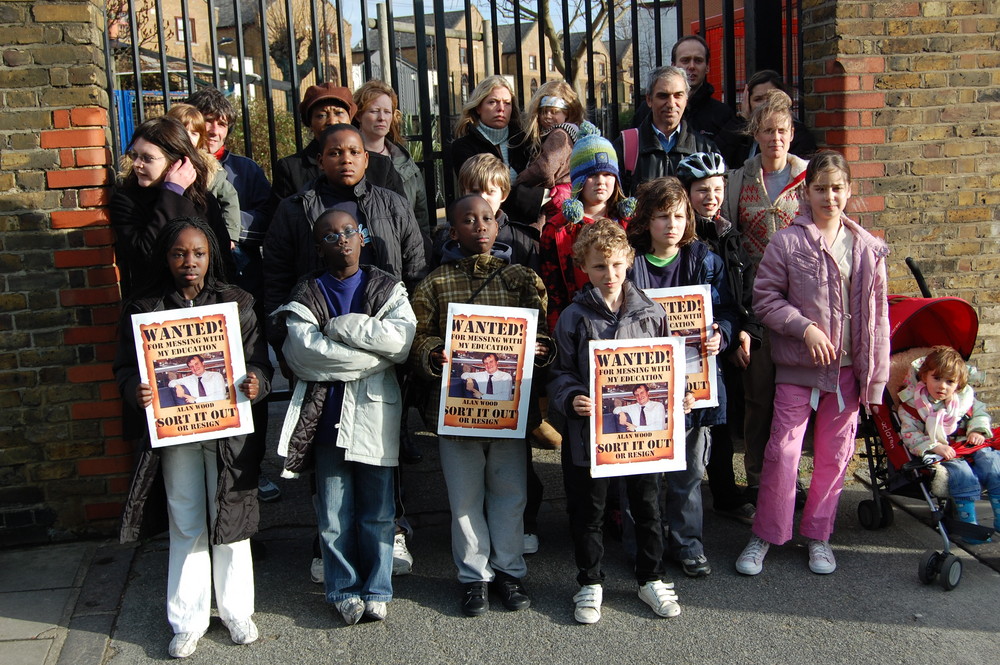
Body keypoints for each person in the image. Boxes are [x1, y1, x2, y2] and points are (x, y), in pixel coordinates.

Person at [115, 217, 272, 658]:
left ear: (211, 257)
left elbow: (260, 360)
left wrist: (256, 379)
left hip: (228, 432)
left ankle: (237, 610)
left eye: (198, 254)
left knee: (231, 515)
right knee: (186, 518)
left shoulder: (237, 302)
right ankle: (187, 619)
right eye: (179, 253)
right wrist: (136, 389)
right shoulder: (143, 308)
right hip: (176, 433)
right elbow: (125, 368)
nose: (189, 262)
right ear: (165, 258)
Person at [735, 151, 890, 576]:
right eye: (820, 188)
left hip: (845, 374)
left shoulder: (868, 249)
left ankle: (819, 536)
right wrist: (805, 328)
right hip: (798, 369)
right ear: (807, 191)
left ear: (849, 191)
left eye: (837, 188)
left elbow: (878, 321)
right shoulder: (787, 241)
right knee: (783, 452)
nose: (829, 196)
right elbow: (765, 300)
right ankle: (765, 534)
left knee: (834, 457)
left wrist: (874, 382)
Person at [409, 194, 554, 616]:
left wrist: (541, 349)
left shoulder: (523, 279)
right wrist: (433, 351)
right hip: (457, 414)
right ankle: (474, 577)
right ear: (453, 232)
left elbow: (542, 332)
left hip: (508, 413)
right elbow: (416, 336)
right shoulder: (435, 283)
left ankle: (509, 571)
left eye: (487, 219)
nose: (480, 227)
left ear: (499, 224)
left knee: (510, 493)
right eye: (469, 221)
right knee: (465, 498)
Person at [270, 207, 416, 623]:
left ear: (364, 237)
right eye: (331, 235)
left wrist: (343, 326)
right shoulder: (307, 292)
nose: (343, 240)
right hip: (325, 421)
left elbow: (401, 342)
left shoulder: (386, 287)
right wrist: (374, 358)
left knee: (378, 512)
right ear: (319, 247)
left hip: (374, 418)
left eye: (350, 231)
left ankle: (377, 588)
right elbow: (302, 355)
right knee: (333, 514)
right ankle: (342, 588)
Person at [548, 219, 682, 624]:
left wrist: (681, 396)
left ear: (630, 262)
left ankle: (650, 577)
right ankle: (589, 582)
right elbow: (560, 373)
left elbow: (670, 367)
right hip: (588, 434)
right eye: (599, 267)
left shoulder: (651, 312)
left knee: (647, 505)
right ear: (584, 268)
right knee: (588, 510)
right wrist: (572, 398)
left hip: (642, 438)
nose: (610, 275)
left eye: (617, 266)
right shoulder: (572, 317)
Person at [626, 176, 734, 578]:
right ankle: (644, 545)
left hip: (694, 386)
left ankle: (688, 544)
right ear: (646, 221)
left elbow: (726, 310)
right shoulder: (630, 263)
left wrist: (719, 334)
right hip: (644, 383)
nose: (670, 225)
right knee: (643, 472)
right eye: (661, 217)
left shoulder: (705, 260)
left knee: (688, 473)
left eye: (677, 216)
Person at [185, 87, 281, 503]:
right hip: (196, 293)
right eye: (207, 121)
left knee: (249, 380)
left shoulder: (246, 169)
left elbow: (266, 218)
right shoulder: (180, 168)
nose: (214, 130)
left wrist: (226, 228)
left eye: (222, 122)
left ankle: (251, 470)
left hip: (244, 285)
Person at [720, 88, 809, 505]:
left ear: (792, 134)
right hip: (755, 305)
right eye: (768, 130)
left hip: (800, 304)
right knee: (758, 398)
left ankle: (789, 475)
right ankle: (756, 476)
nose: (775, 138)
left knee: (795, 399)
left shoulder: (808, 178)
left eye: (782, 131)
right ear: (755, 133)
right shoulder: (738, 179)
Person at [263, 124, 427, 329]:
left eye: (354, 152)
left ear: (366, 159)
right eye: (335, 153)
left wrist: (411, 330)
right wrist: (280, 336)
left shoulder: (395, 205)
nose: (346, 159)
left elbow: (415, 270)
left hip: (384, 326)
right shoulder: (294, 210)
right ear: (321, 162)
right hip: (319, 330)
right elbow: (277, 276)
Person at [676, 152, 759, 525]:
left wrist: (742, 331)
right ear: (686, 193)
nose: (710, 196)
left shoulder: (730, 236)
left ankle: (725, 494)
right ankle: (674, 496)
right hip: (682, 347)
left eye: (716, 189)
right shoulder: (678, 237)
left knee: (721, 424)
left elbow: (745, 294)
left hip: (718, 342)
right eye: (701, 190)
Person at [110, 116, 235, 296]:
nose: (137, 164)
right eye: (135, 155)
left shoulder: (204, 200)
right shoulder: (126, 200)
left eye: (147, 158)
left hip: (207, 306)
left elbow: (223, 261)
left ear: (175, 161)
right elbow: (145, 254)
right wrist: (172, 193)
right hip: (155, 307)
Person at [898, 346, 1000, 542]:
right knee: (961, 473)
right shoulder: (913, 405)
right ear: (924, 376)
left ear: (958, 385)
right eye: (937, 378)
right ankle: (968, 525)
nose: (942, 386)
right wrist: (933, 446)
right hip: (942, 449)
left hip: (967, 444)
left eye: (950, 382)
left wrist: (977, 430)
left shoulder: (964, 400)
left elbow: (980, 414)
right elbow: (909, 434)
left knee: (993, 463)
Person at [540, 122, 636, 331]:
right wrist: (559, 334)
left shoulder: (630, 222)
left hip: (628, 325)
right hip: (579, 326)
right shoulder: (557, 229)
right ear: (578, 180)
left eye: (608, 174)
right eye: (592, 175)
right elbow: (553, 292)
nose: (601, 182)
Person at [270, 83, 405, 203]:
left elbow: (403, 218)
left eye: (339, 113)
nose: (332, 121)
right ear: (310, 123)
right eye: (321, 115)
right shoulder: (291, 169)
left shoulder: (381, 166)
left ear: (350, 118)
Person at [613, 66, 717, 196]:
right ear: (649, 100)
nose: (671, 103)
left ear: (686, 99)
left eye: (678, 95)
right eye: (663, 96)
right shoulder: (626, 147)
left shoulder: (705, 149)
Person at [450, 75, 539, 224]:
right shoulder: (463, 146)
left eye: (507, 103)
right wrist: (538, 197)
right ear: (478, 107)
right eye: (492, 102)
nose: (501, 109)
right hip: (483, 224)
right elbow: (482, 192)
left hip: (525, 226)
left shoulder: (524, 141)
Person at [353, 80, 431, 238]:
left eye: (387, 112)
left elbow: (421, 219)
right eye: (374, 111)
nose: (382, 118)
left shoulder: (406, 163)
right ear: (359, 115)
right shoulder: (349, 161)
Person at [166, 103, 243, 247]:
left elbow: (230, 198)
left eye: (194, 133)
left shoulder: (210, 169)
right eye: (182, 130)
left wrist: (230, 234)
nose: (187, 137)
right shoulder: (158, 163)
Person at [512, 79, 585, 227]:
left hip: (553, 199)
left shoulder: (559, 134)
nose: (548, 116)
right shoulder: (572, 133)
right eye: (544, 111)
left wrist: (520, 179)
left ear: (568, 113)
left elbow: (544, 169)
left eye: (554, 111)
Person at [714, 69, 818, 169]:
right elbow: (716, 158)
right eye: (758, 99)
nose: (765, 104)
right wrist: (743, 118)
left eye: (770, 98)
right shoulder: (742, 133)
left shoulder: (800, 137)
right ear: (748, 103)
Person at [671, 35, 735, 140]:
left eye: (698, 60)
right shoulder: (653, 110)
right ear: (673, 66)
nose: (691, 66)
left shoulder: (722, 114)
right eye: (685, 60)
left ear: (707, 67)